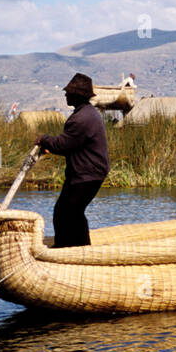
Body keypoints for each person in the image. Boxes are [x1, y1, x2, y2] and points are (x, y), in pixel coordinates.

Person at [37, 72, 110, 248]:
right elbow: (73, 145)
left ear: (76, 95)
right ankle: (76, 247)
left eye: (68, 92)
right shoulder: (86, 113)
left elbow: (63, 144)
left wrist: (44, 139)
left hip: (88, 174)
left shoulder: (81, 118)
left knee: (68, 212)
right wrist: (51, 147)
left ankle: (71, 249)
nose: (65, 95)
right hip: (86, 172)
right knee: (70, 212)